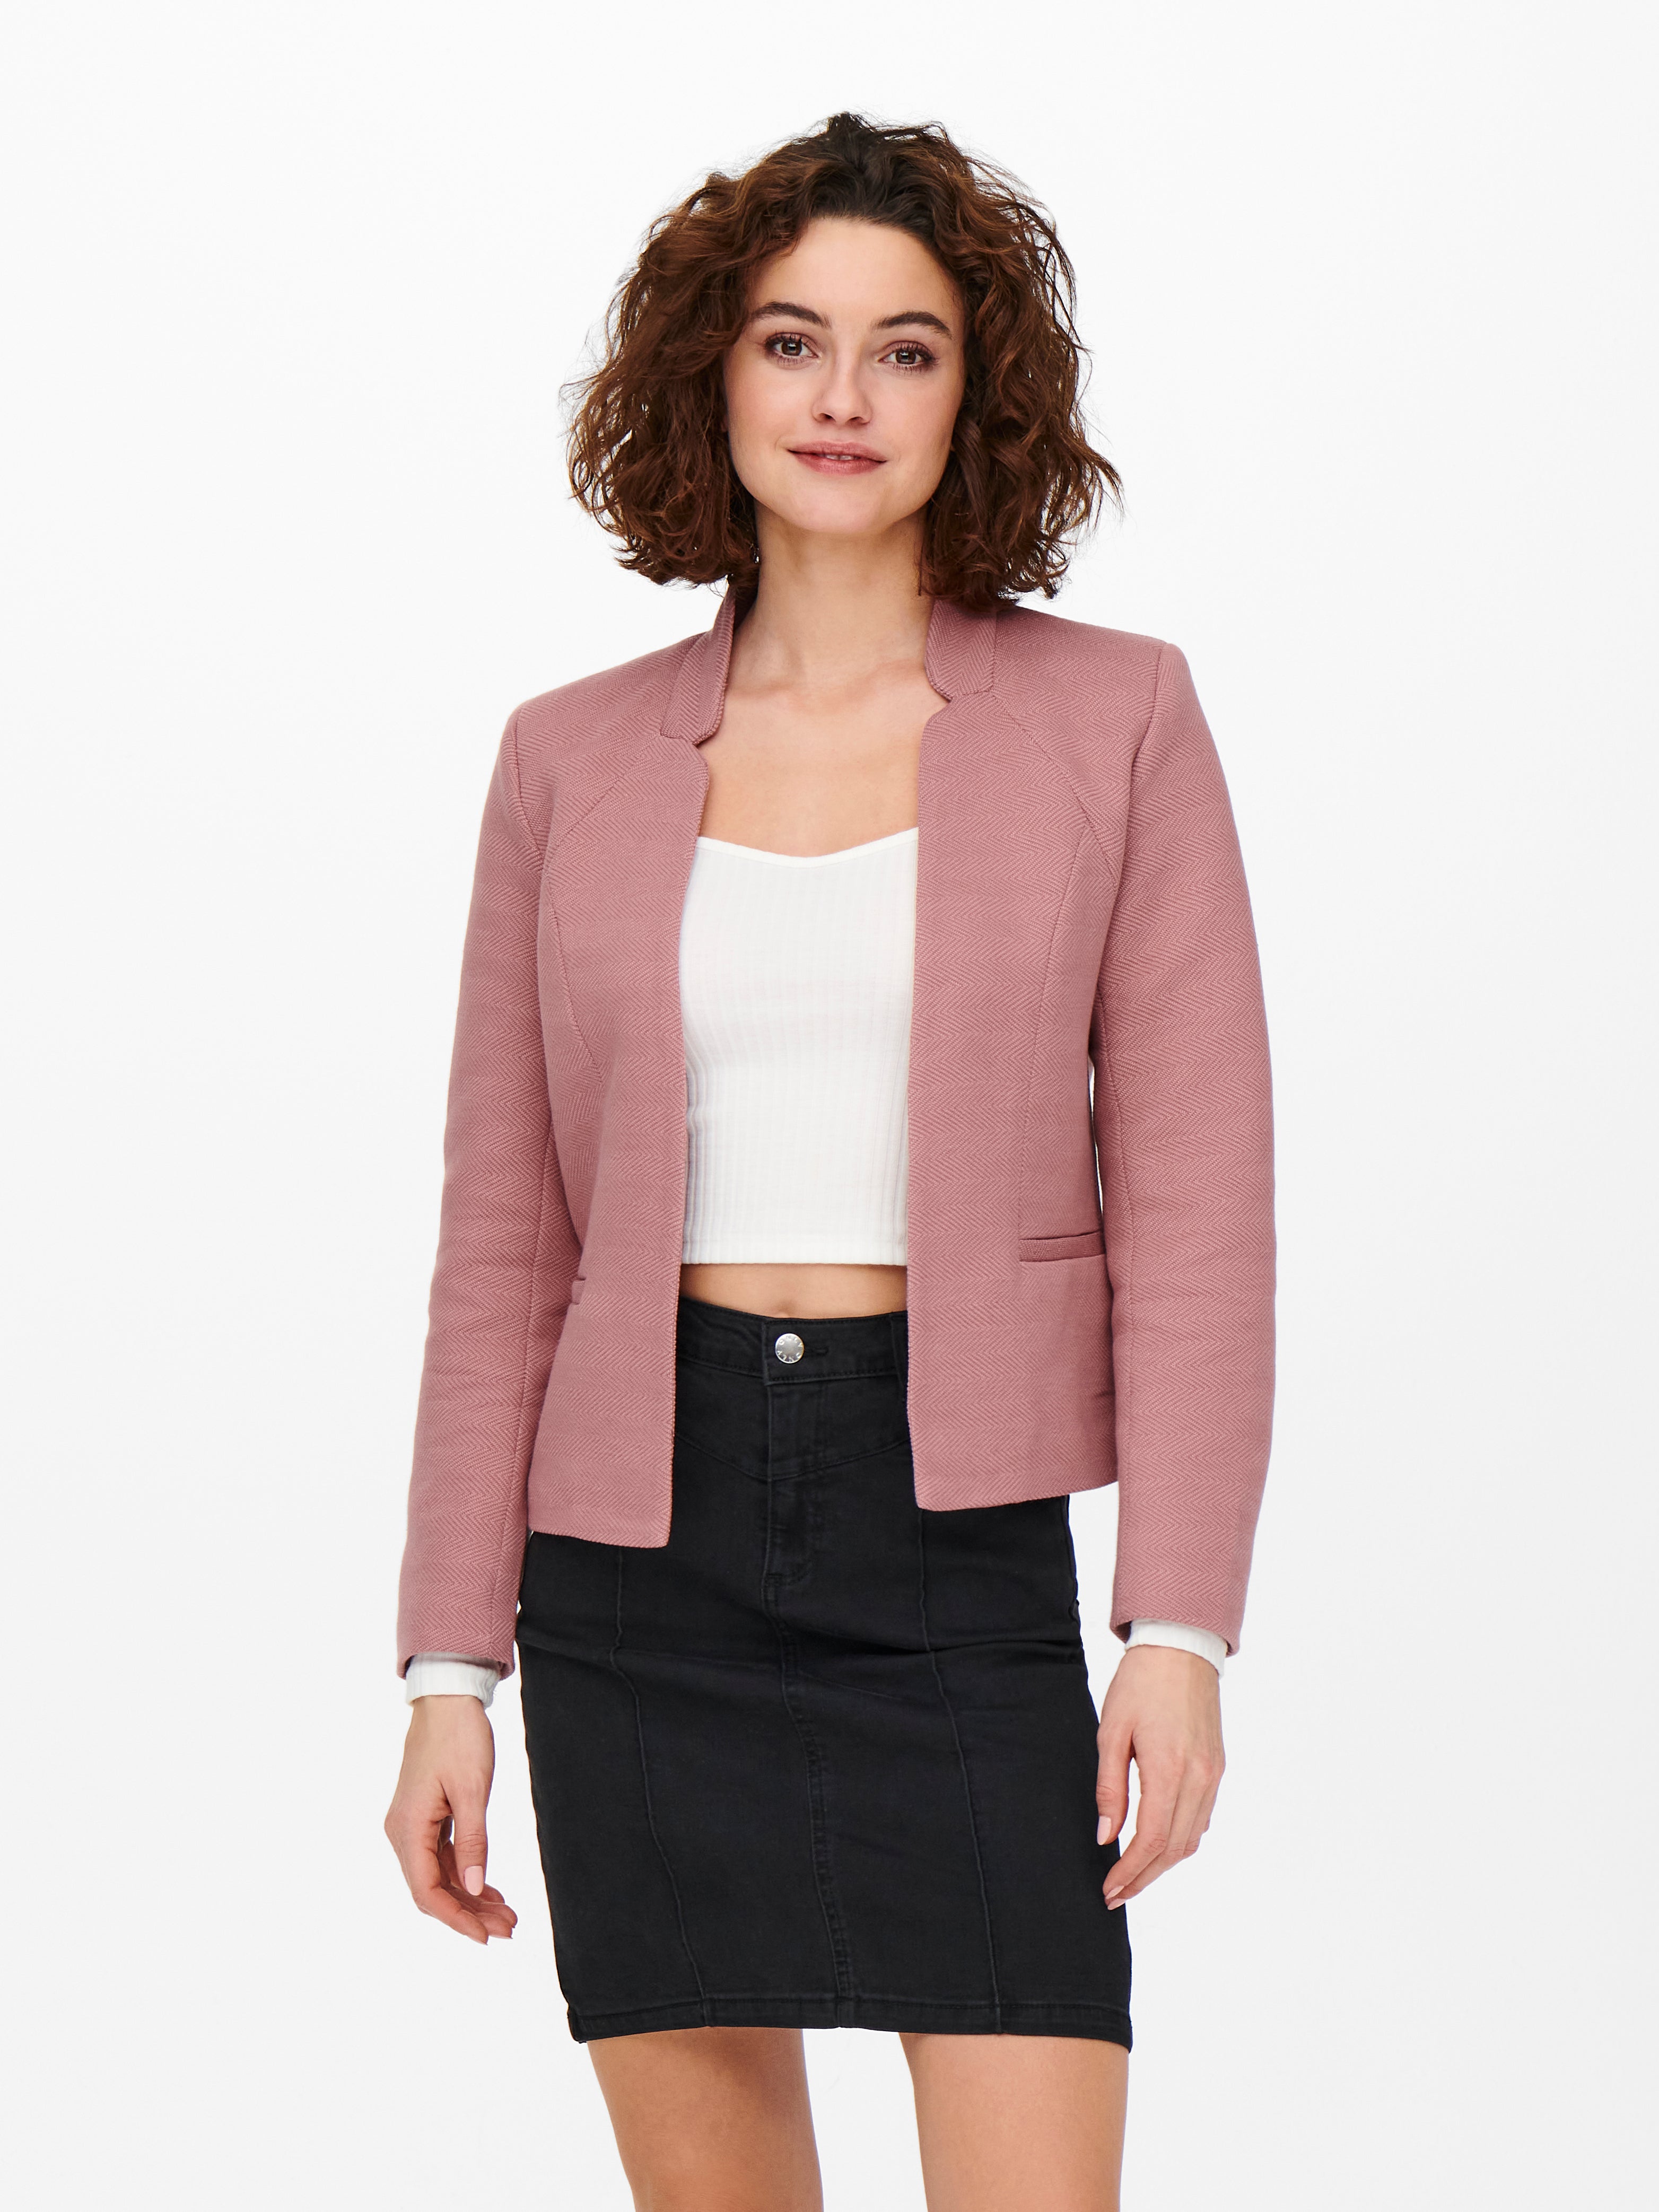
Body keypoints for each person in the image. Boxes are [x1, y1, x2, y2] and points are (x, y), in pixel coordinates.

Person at [383, 112, 1273, 2212]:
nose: (842, 396)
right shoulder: (565, 756)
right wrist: (446, 1669)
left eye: (905, 348)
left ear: (977, 397)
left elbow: (1197, 1212)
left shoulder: (1118, 720)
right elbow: (501, 1245)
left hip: (955, 1551)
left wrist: (1177, 1625)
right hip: (634, 1566)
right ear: (712, 375)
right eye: (792, 341)